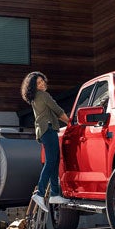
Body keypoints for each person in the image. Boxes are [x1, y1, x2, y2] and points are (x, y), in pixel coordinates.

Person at [21, 71, 71, 212]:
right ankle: (40, 193)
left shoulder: (35, 97)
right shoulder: (43, 95)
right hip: (48, 130)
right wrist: (71, 122)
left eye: (42, 81)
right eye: (38, 83)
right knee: (51, 161)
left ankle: (55, 194)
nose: (42, 84)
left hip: (44, 131)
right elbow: (58, 110)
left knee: (54, 161)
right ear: (34, 86)